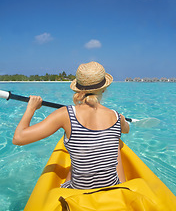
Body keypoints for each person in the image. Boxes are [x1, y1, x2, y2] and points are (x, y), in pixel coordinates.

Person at [13, 61, 129, 189]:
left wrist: (31, 108)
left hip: (79, 191)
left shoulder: (66, 114)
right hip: (113, 187)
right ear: (104, 88)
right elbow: (126, 130)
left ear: (78, 88)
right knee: (116, 142)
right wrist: (122, 121)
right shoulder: (117, 116)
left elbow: (19, 138)